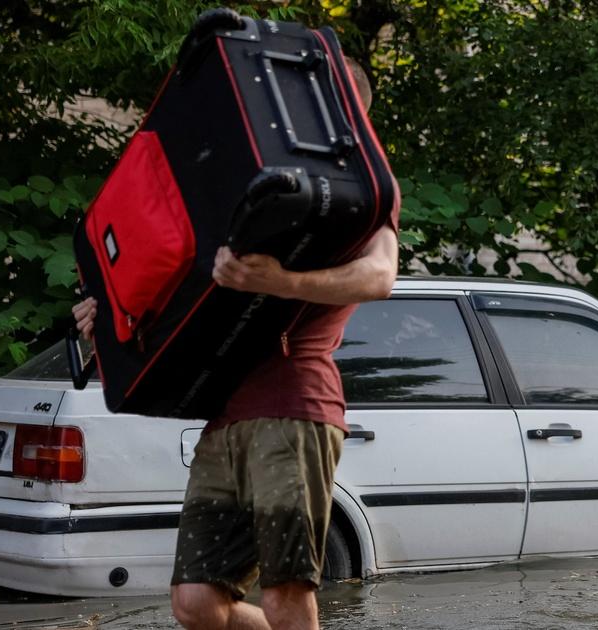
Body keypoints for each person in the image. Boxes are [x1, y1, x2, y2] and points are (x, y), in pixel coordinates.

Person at [73, 58, 397, 630]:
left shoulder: (362, 189)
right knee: (196, 603)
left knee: (285, 595)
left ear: (350, 111)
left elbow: (379, 277)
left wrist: (281, 282)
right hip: (224, 416)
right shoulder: (242, 177)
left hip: (293, 410)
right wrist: (110, 317)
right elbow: (180, 292)